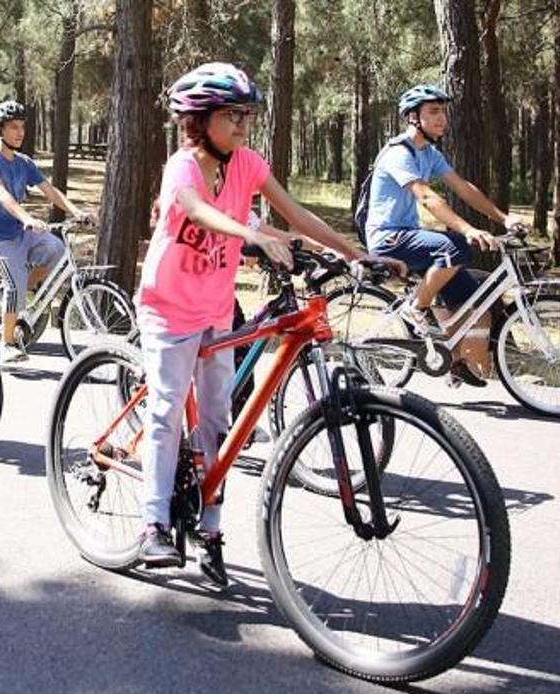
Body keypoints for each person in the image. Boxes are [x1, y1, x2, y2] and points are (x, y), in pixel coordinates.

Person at [135, 62, 404, 585]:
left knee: (218, 421)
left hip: (215, 309)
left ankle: (210, 530)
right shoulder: (182, 167)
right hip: (168, 308)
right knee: (167, 411)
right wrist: (251, 234)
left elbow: (297, 214)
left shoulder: (248, 164)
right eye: (232, 115)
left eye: (248, 115)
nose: (243, 124)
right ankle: (153, 523)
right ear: (200, 120)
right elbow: (196, 210)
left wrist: (354, 253)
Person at [365, 84, 526, 386]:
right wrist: (468, 229)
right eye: (434, 111)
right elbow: (427, 197)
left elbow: (463, 188)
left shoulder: (429, 153)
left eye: (443, 112)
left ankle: (454, 360)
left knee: (472, 302)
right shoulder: (398, 153)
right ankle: (415, 307)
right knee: (455, 246)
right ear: (413, 117)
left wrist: (504, 218)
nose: (442, 118)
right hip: (388, 238)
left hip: (410, 236)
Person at [0, 100, 94, 365]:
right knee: (14, 284)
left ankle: (18, 297)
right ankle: (6, 344)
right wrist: (27, 218)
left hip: (20, 233)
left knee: (56, 250)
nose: (20, 132)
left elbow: (49, 190)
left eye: (22, 127)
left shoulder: (24, 162)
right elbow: (0, 194)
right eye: (13, 127)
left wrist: (76, 211)